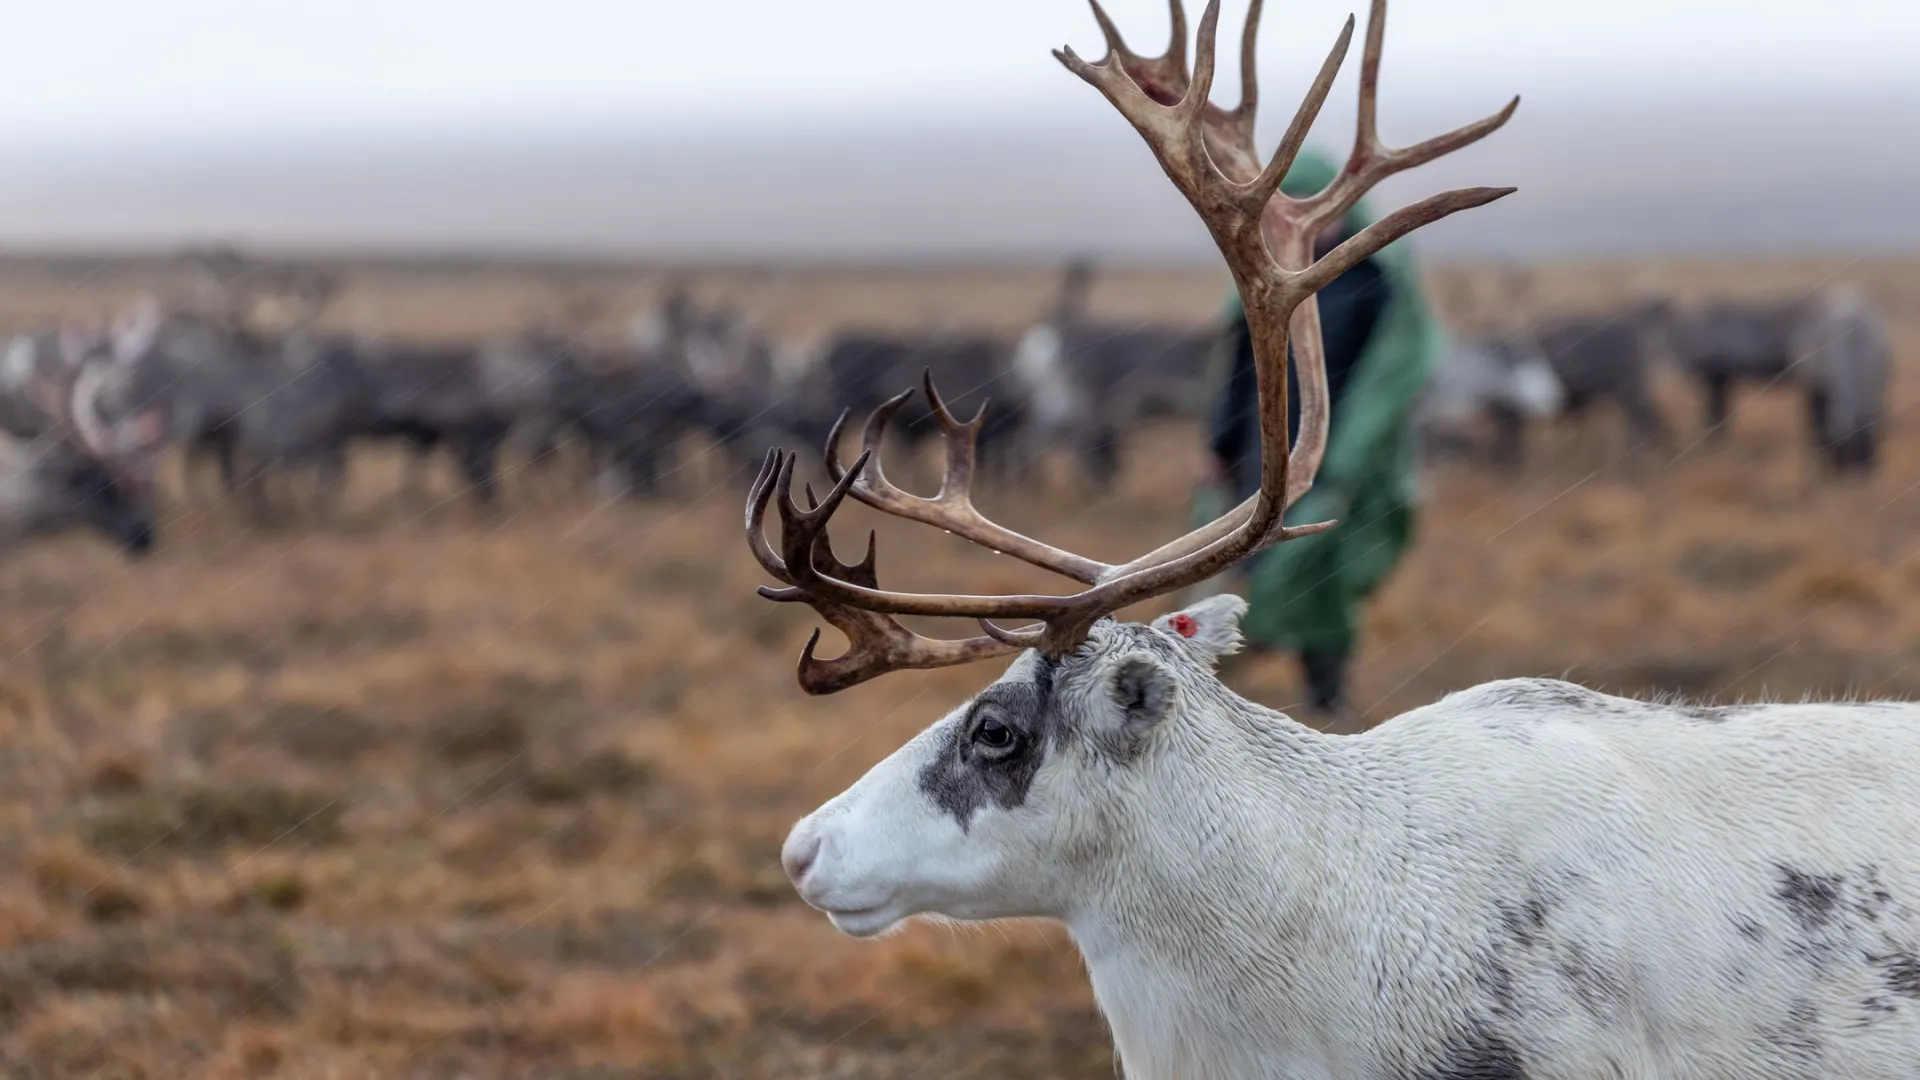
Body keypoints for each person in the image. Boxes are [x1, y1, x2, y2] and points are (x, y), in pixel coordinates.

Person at [1197, 148, 1444, 723]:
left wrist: (1344, 462)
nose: (1300, 223)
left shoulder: (1373, 281)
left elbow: (1389, 376)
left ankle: (1326, 703)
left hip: (1338, 461)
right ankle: (1207, 698)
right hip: (1262, 454)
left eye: (1315, 209)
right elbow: (1240, 367)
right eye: (1284, 211)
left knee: (1319, 577)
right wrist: (1219, 444)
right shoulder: (1262, 270)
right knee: (1237, 568)